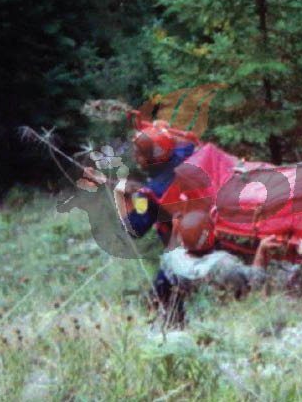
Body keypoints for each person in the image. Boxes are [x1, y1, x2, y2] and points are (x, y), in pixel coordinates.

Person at [153, 210, 285, 324]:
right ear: (210, 235)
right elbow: (256, 281)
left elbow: (172, 250)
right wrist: (261, 250)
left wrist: (178, 228)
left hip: (191, 316)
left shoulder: (172, 260)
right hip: (222, 319)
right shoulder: (223, 266)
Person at [113, 121, 196, 244]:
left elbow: (134, 229)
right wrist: (157, 131)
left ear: (152, 157)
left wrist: (125, 197)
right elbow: (175, 140)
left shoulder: (148, 194)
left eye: (138, 154)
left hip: (186, 234)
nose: (134, 158)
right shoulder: (186, 151)